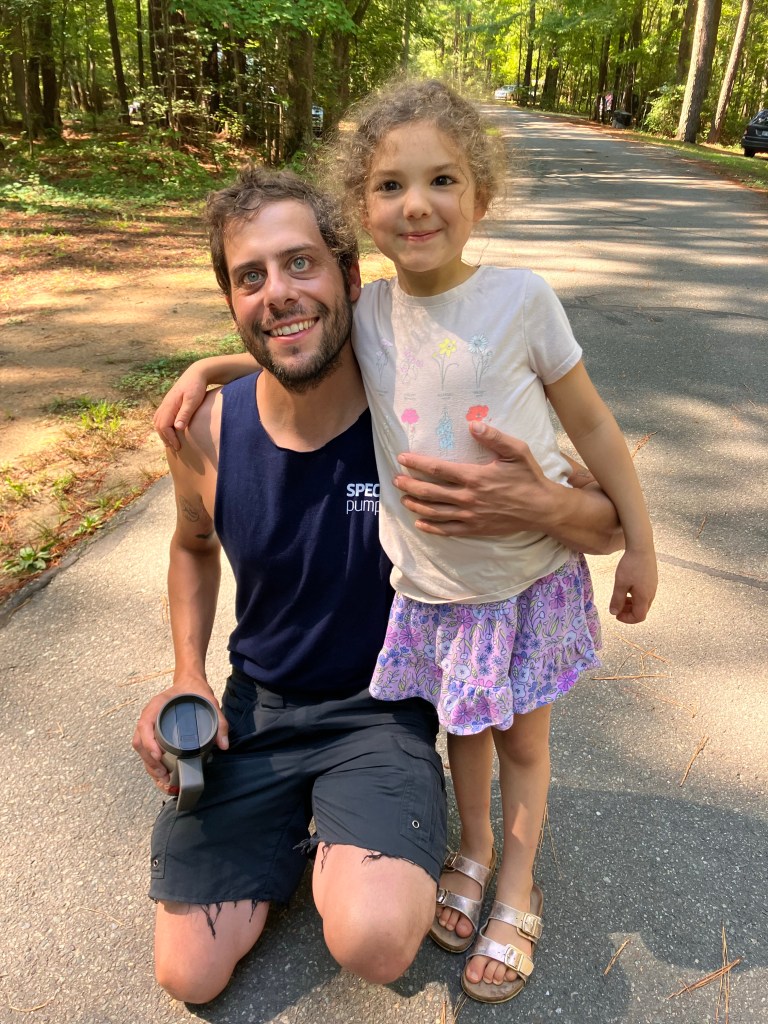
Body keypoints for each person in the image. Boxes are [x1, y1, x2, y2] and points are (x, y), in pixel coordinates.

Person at [134, 165, 623, 1006]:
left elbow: (606, 524)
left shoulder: (423, 407)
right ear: (232, 300)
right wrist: (186, 675)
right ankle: (290, 831)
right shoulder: (205, 431)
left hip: (382, 710)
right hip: (257, 710)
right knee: (189, 974)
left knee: (375, 938)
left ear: (351, 278)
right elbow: (191, 545)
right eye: (251, 276)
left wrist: (535, 502)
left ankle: (360, 837)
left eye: (301, 263)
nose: (278, 292)